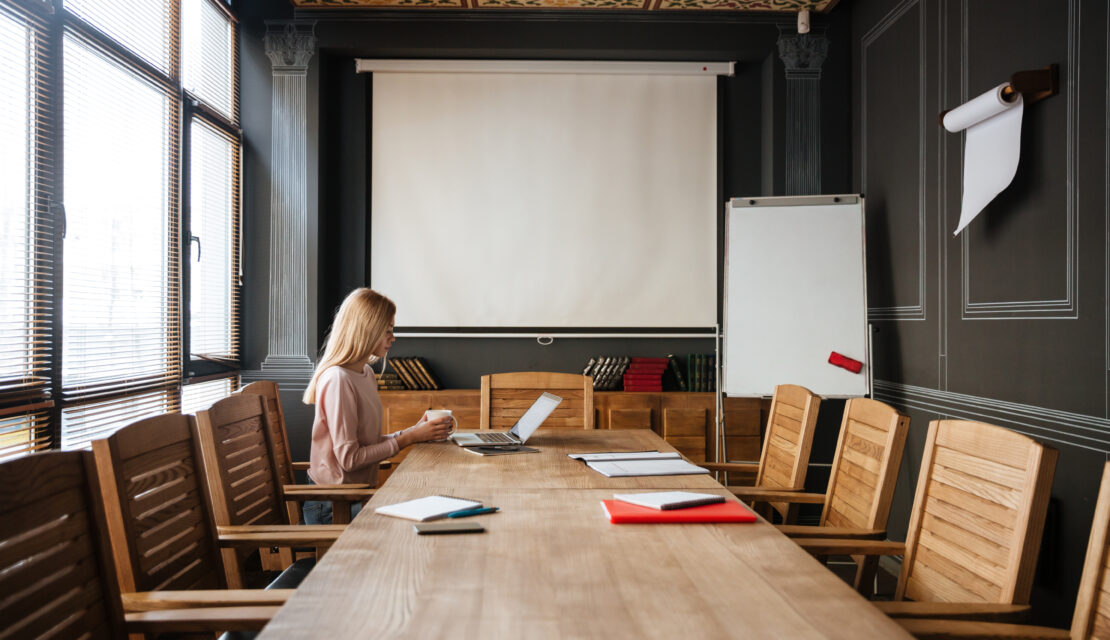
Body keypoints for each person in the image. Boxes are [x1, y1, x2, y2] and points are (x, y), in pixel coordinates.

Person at [301, 288, 453, 524]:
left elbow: (365, 445)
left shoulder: (365, 373)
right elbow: (350, 459)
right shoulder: (338, 380)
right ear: (366, 330)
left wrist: (413, 432)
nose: (393, 337)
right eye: (387, 330)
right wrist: (408, 438)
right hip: (334, 507)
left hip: (357, 496)